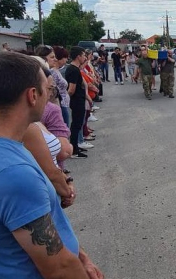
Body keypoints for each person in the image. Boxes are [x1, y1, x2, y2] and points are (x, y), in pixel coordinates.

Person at [0, 51, 104, 279]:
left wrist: (81, 256)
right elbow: (59, 268)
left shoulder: (16, 146)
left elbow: (50, 222)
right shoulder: (14, 173)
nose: (51, 96)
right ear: (32, 96)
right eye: (49, 90)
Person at [65, 47, 88, 158]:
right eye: (83, 55)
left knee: (77, 124)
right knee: (76, 125)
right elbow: (71, 89)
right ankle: (74, 150)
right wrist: (66, 99)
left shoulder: (74, 68)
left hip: (79, 99)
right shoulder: (73, 70)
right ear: (78, 56)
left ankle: (76, 146)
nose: (84, 57)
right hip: (77, 100)